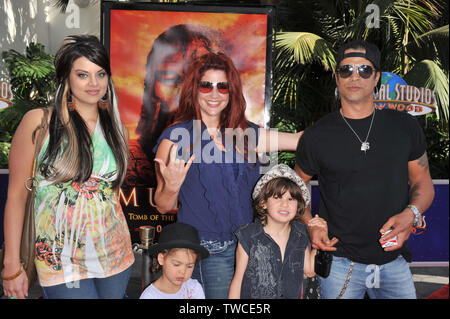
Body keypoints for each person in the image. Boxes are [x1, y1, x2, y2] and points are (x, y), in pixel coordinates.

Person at [153, 52, 302, 299]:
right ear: (194, 89)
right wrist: (171, 186)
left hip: (250, 247)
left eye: (222, 86)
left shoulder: (246, 134)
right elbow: (162, 206)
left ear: (231, 91)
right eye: (206, 85)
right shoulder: (176, 137)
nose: (214, 93)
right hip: (209, 250)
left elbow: (300, 141)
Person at [294, 40, 434, 299]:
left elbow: (422, 182)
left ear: (377, 77)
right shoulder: (317, 136)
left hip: (394, 260)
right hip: (339, 261)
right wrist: (310, 222)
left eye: (364, 70)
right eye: (346, 69)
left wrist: (410, 213)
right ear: (336, 77)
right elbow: (294, 188)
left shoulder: (405, 127)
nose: (354, 76)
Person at [2, 35, 134, 299]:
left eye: (100, 74)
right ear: (67, 79)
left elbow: (111, 196)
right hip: (60, 259)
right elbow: (16, 197)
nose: (94, 83)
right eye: (83, 75)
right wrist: (11, 264)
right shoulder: (39, 123)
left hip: (115, 255)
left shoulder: (118, 130)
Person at [128, 24, 225, 186]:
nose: (184, 92)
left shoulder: (244, 140)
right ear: (150, 85)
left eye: (201, 82)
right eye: (170, 78)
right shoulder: (129, 162)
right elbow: (163, 204)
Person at [228, 164, 326, 299]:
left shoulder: (301, 234)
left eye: (291, 199)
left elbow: (309, 270)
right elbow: (237, 280)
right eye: (277, 197)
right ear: (263, 203)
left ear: (298, 205)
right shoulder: (248, 235)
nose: (285, 204)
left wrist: (320, 235)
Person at [139, 222, 209, 299]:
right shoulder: (150, 296)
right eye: (176, 264)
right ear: (161, 259)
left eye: (189, 266)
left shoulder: (194, 288)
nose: (182, 272)